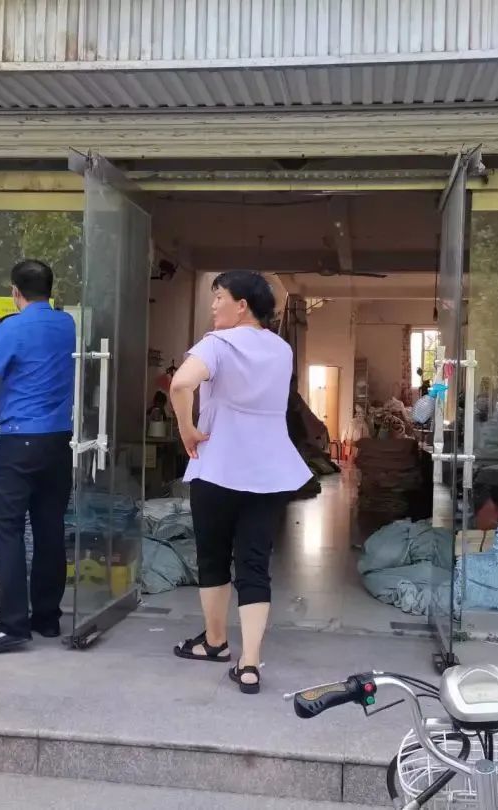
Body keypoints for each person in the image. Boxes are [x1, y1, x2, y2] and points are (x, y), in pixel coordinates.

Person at [170, 271, 311, 694]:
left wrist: (187, 429)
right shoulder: (282, 349)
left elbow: (180, 384)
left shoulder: (217, 344)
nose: (213, 306)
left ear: (242, 305)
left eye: (219, 298)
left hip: (218, 466)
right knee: (254, 562)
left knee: (213, 556)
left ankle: (215, 642)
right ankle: (249, 663)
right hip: (269, 470)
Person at [0, 259, 76, 656]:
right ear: (50, 289)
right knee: (49, 528)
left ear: (15, 291)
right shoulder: (66, 324)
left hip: (20, 441)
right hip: (58, 441)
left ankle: (12, 625)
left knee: (7, 529)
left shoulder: (13, 328)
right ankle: (47, 617)